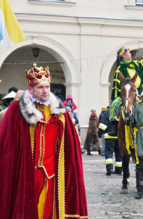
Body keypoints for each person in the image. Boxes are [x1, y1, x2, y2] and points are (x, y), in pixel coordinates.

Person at [0, 64, 87, 218]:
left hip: (53, 174)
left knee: (49, 212)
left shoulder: (60, 113)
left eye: (47, 86)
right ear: (31, 88)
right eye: (40, 87)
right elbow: (7, 149)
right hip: (26, 174)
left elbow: (71, 147)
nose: (45, 90)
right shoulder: (16, 111)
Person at [104, 98, 123, 175]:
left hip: (109, 137)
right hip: (118, 137)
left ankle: (109, 169)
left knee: (109, 154)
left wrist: (100, 132)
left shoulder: (107, 112)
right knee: (119, 154)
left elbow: (103, 124)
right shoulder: (120, 113)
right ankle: (119, 170)